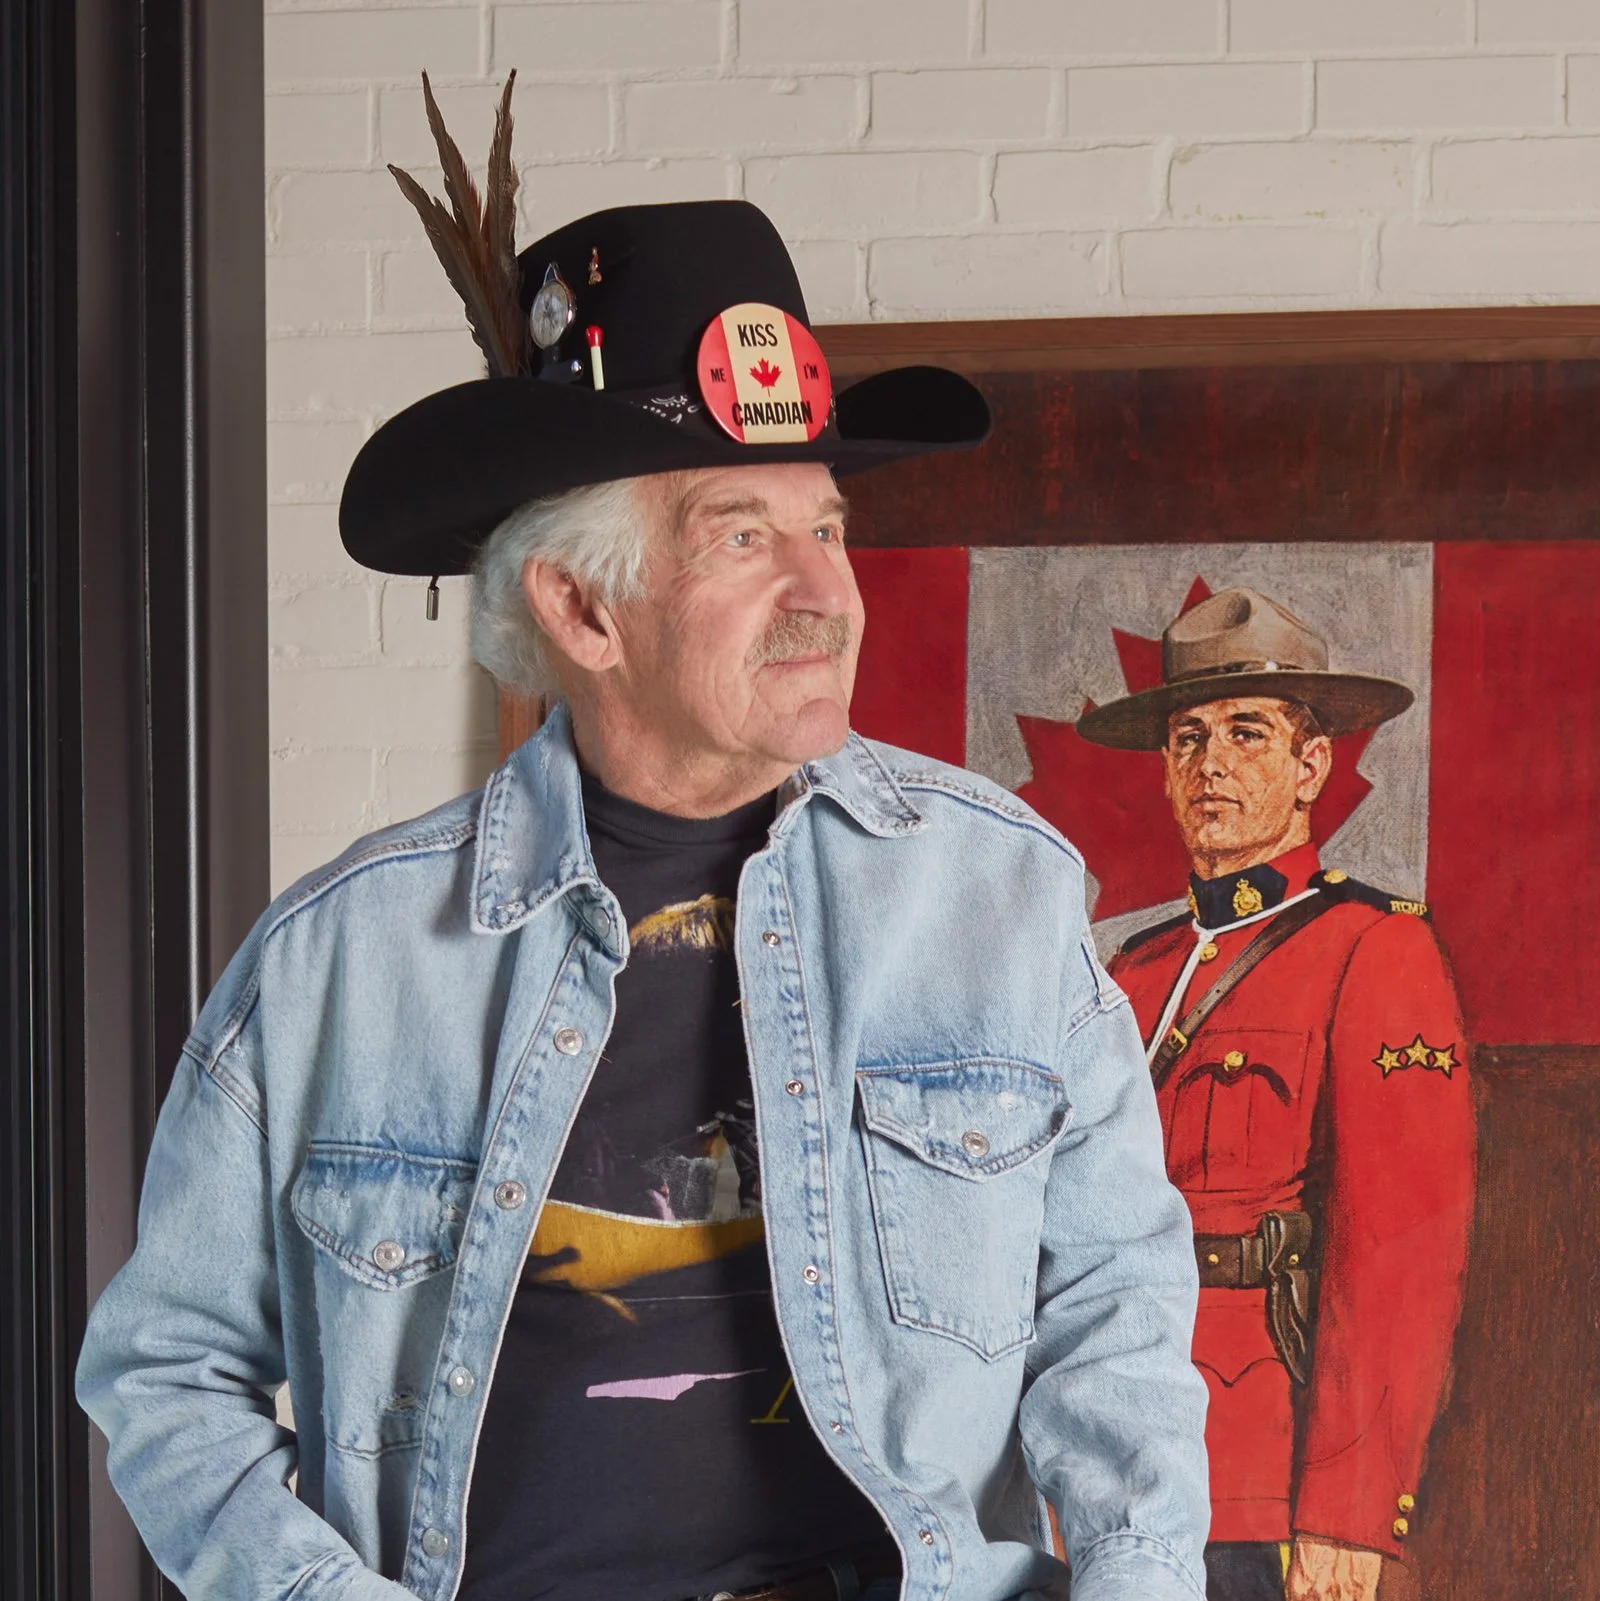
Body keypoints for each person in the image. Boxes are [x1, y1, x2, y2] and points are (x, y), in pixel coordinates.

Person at [76, 84, 1209, 1601]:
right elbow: (164, 1373)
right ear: (582, 607)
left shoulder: (1000, 892)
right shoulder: (338, 963)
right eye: (746, 534)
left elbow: (1118, 1320)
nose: (828, 589)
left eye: (832, 525)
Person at [1077, 588, 1476, 1601]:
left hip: (1251, 1464)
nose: (1210, 762)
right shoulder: (1130, 970)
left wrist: (1348, 1511)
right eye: (1187, 738)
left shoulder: (1374, 948)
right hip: (1102, 1451)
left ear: (1311, 766)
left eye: (1246, 733)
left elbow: (1401, 1249)